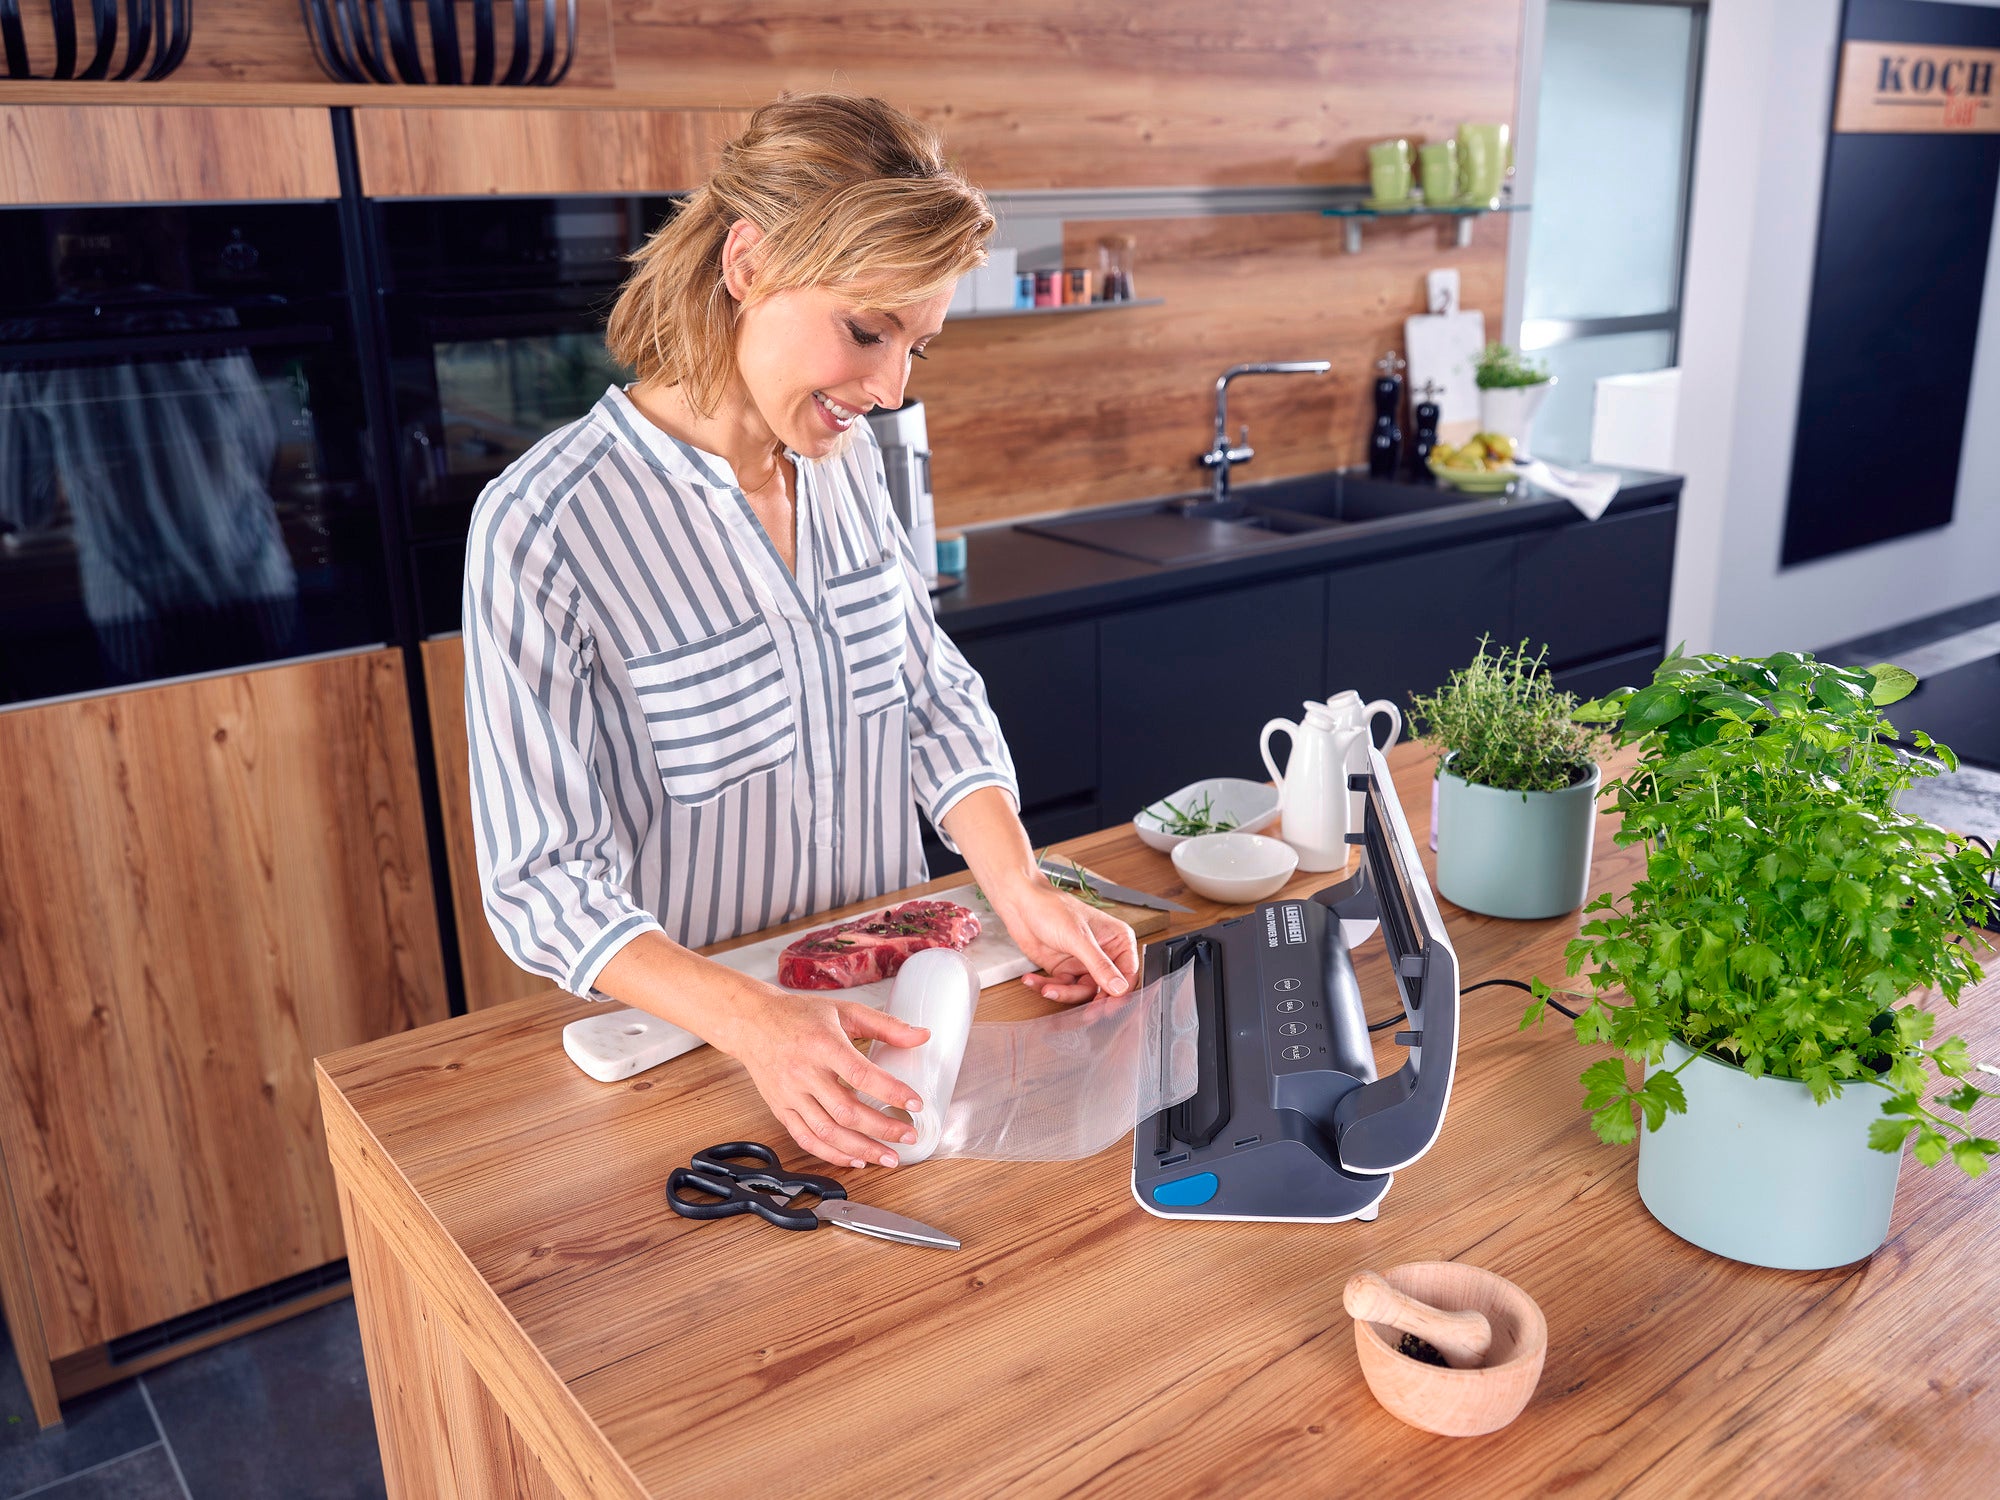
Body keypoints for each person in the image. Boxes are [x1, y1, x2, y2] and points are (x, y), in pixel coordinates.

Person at [463, 93, 1138, 1173]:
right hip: (708, 1057)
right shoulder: (543, 526)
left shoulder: (848, 461)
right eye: (866, 331)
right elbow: (540, 881)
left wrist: (1017, 887)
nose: (887, 388)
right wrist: (754, 1023)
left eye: (916, 345)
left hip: (901, 1019)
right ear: (746, 263)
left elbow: (925, 691)